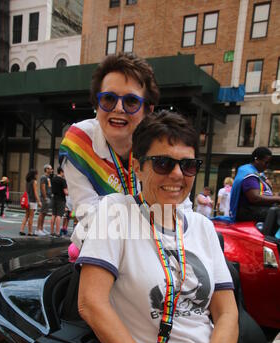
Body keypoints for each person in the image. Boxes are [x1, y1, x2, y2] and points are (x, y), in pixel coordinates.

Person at [77, 111, 280, 343]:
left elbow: (226, 312)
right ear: (137, 166)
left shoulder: (201, 226)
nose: (177, 174)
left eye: (188, 165)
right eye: (162, 163)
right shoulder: (116, 216)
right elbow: (91, 302)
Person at [59, 52, 192, 259]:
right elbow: (90, 219)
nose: (118, 109)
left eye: (130, 101)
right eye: (109, 99)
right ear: (97, 104)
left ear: (148, 109)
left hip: (156, 258)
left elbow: (181, 214)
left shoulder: (162, 146)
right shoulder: (79, 141)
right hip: (100, 257)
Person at [230, 147, 280, 222]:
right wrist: (277, 199)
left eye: (269, 162)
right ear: (256, 160)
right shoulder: (249, 173)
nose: (267, 165)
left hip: (256, 209)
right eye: (266, 162)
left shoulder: (258, 173)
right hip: (248, 211)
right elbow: (254, 198)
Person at [20, 169, 41, 236]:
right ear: (34, 175)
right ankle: (30, 231)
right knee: (31, 217)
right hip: (32, 201)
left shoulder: (28, 181)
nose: (37, 175)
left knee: (26, 216)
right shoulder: (34, 181)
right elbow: (35, 192)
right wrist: (39, 201)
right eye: (37, 174)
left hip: (27, 201)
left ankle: (22, 229)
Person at [50, 166, 68, 237]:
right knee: (59, 215)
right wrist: (70, 192)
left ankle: (52, 232)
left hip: (54, 198)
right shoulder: (63, 180)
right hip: (61, 199)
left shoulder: (53, 179)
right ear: (61, 172)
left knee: (53, 214)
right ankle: (57, 232)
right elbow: (65, 192)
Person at [36, 164, 53, 236]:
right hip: (44, 198)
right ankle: (38, 229)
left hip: (48, 197)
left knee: (44, 213)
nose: (51, 170)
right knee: (41, 213)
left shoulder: (48, 177)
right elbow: (42, 188)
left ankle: (42, 228)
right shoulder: (43, 177)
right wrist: (45, 197)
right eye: (50, 169)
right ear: (46, 169)